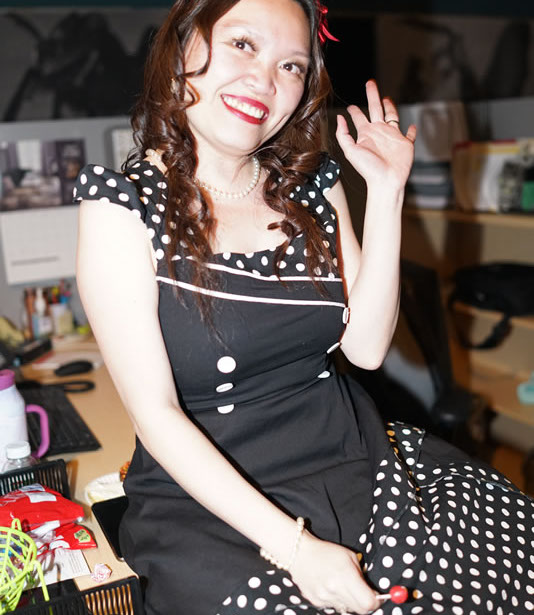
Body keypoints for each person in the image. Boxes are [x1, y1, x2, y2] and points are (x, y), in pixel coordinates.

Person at [74, 0, 534, 614]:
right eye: (243, 45)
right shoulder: (121, 205)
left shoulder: (312, 187)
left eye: (291, 65)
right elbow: (157, 415)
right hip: (210, 503)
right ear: (182, 49)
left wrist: (388, 191)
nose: (265, 80)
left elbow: (366, 349)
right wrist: (295, 549)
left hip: (351, 458)